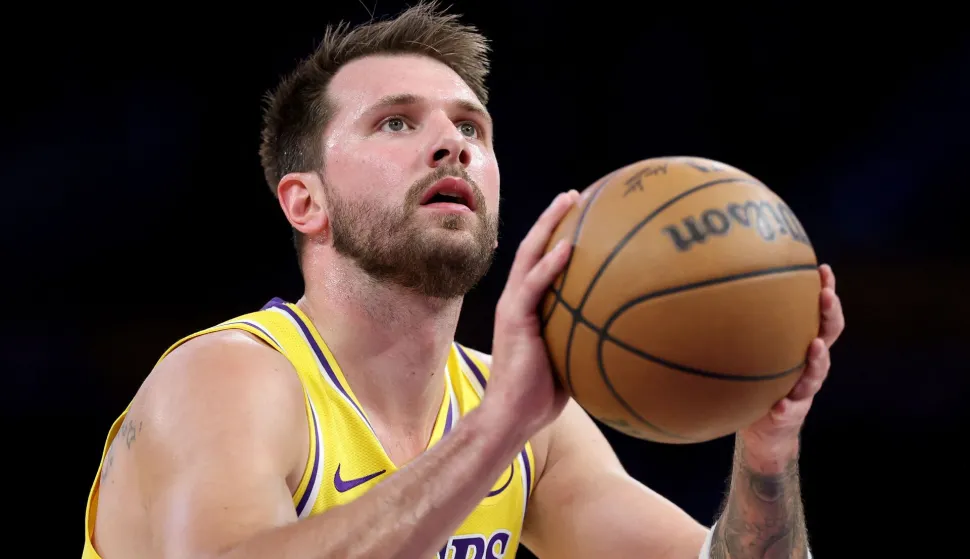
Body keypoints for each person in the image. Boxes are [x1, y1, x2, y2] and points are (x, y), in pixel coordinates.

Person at [81, 3, 845, 558]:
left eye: (470, 127)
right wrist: (494, 432)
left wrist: (766, 453)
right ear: (304, 200)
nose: (451, 144)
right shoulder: (226, 375)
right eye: (396, 122)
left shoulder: (520, 419)